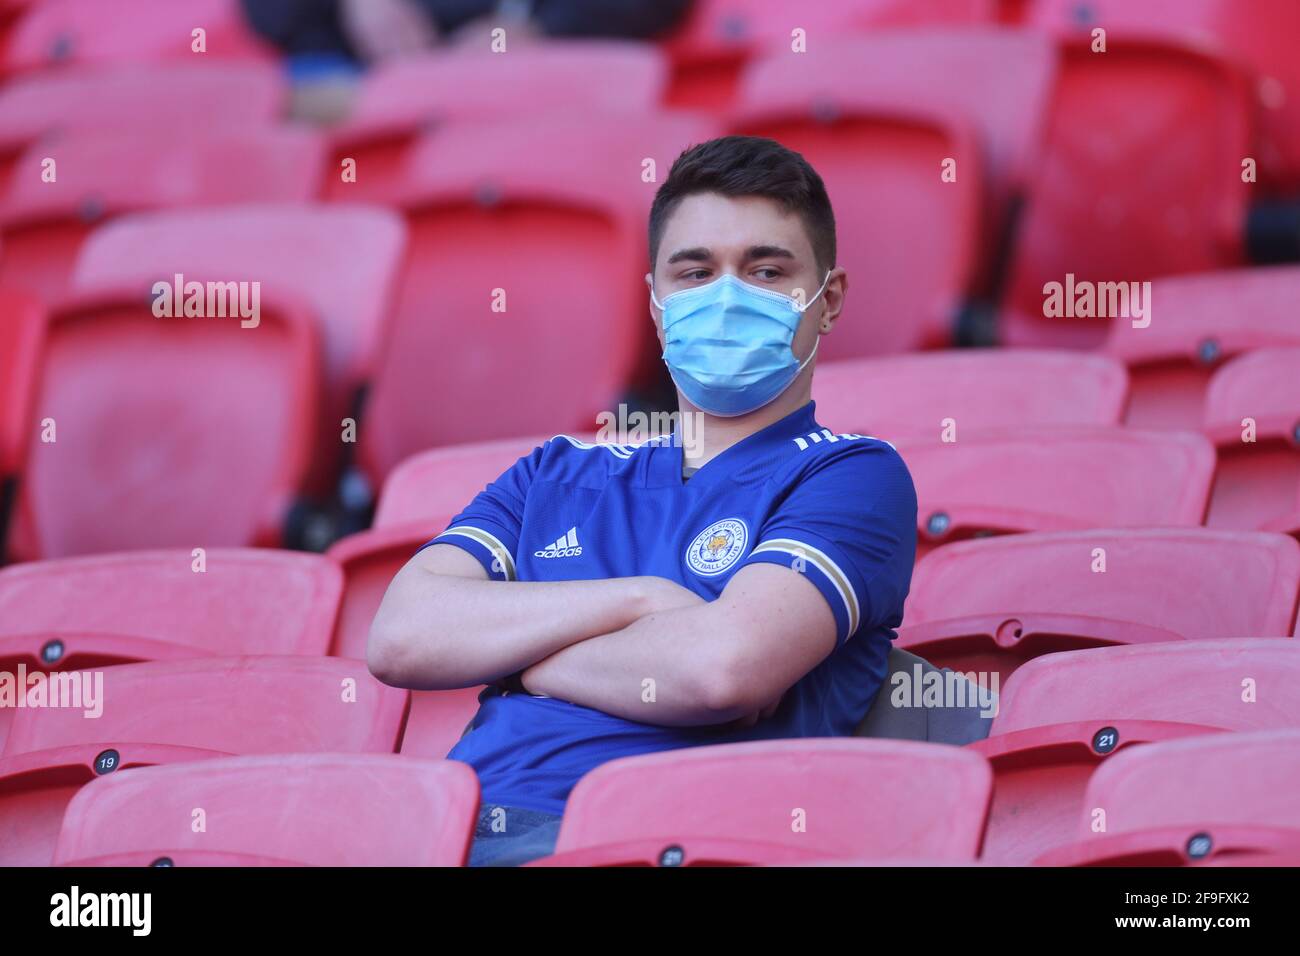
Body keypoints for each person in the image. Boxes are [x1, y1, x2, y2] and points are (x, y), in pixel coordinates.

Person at [368, 135, 918, 866]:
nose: (726, 297)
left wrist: (516, 658)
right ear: (656, 305)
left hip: (649, 841)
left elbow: (719, 670)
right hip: (444, 828)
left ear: (829, 300)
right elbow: (401, 638)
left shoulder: (852, 476)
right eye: (695, 272)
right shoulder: (555, 470)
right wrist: (644, 601)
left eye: (765, 270)